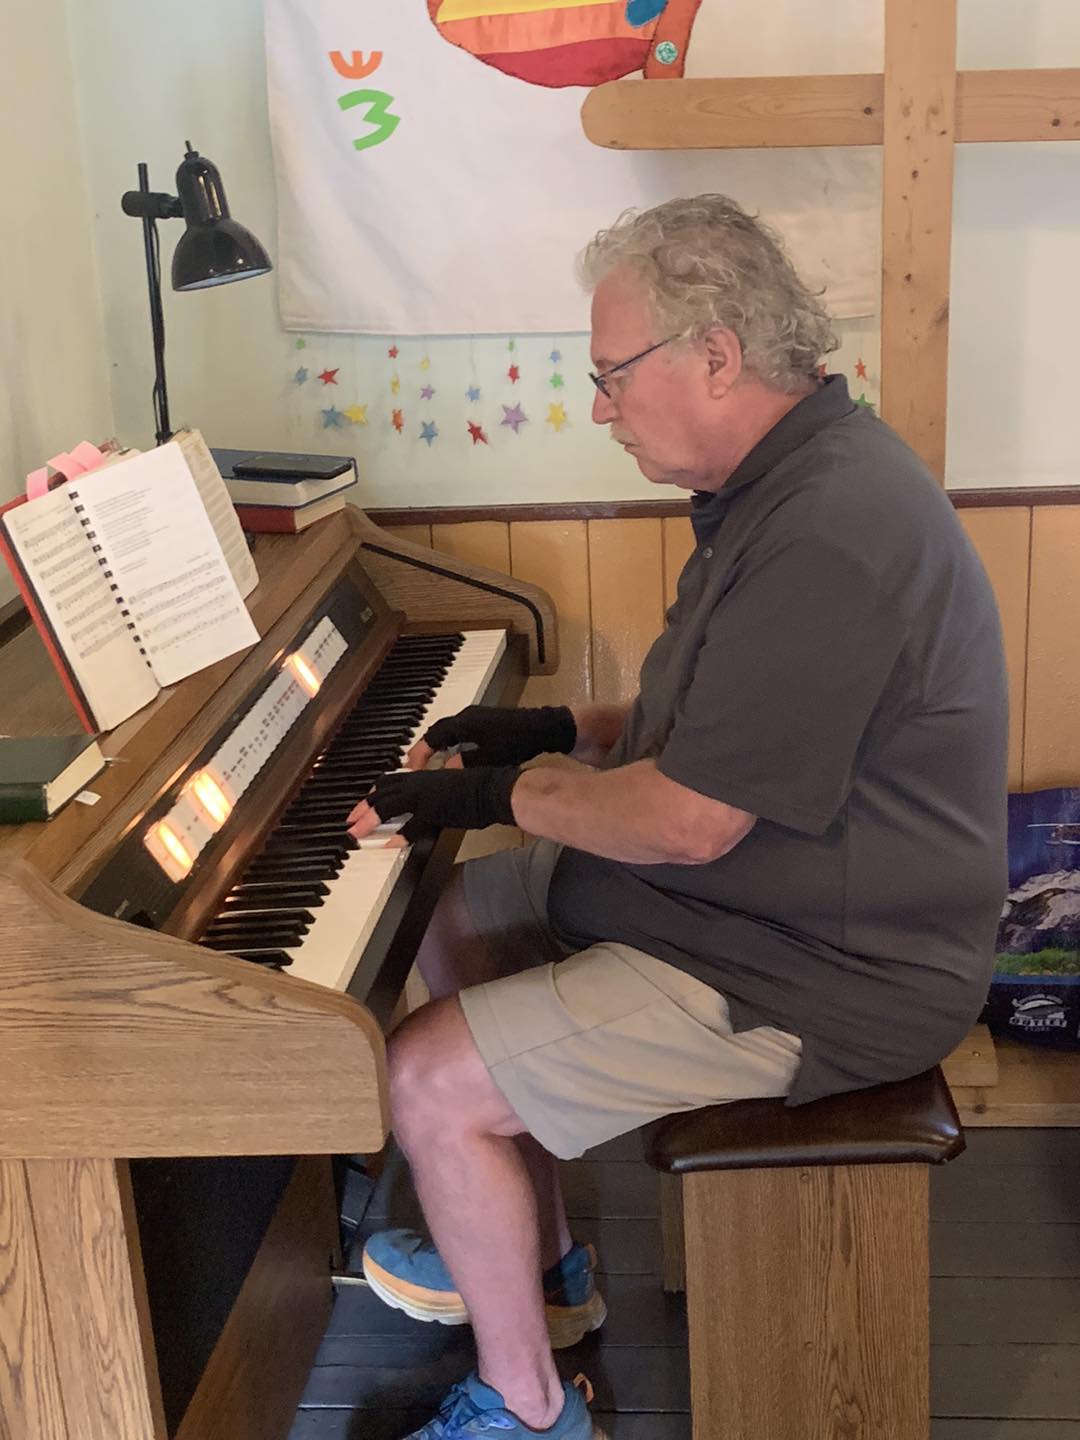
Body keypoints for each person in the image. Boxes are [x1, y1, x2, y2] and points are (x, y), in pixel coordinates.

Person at [345, 194, 1009, 1440]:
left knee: (423, 1083)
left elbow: (693, 818)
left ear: (714, 354)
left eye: (610, 377)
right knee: (457, 915)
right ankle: (544, 1278)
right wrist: (550, 734)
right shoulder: (783, 481)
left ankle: (528, 1410)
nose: (601, 408)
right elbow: (708, 722)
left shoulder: (830, 526)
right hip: (751, 910)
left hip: (827, 973)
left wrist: (492, 792)